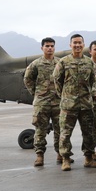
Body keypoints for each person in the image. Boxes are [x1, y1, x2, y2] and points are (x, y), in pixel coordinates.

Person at [52, 34, 96, 171]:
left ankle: (89, 158)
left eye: (80, 43)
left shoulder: (89, 62)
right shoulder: (63, 62)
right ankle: (65, 159)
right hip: (68, 105)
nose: (77, 45)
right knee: (65, 133)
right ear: (70, 45)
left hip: (86, 104)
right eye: (75, 43)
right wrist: (65, 95)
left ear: (83, 45)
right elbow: (57, 81)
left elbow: (93, 81)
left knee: (89, 133)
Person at [23, 37, 61, 166]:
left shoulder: (60, 63)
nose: (50, 48)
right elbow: (27, 79)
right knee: (40, 129)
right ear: (42, 48)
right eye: (47, 46)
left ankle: (60, 154)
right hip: (42, 102)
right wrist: (36, 93)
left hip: (58, 102)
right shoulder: (36, 64)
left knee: (60, 129)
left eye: (52, 46)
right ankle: (39, 155)